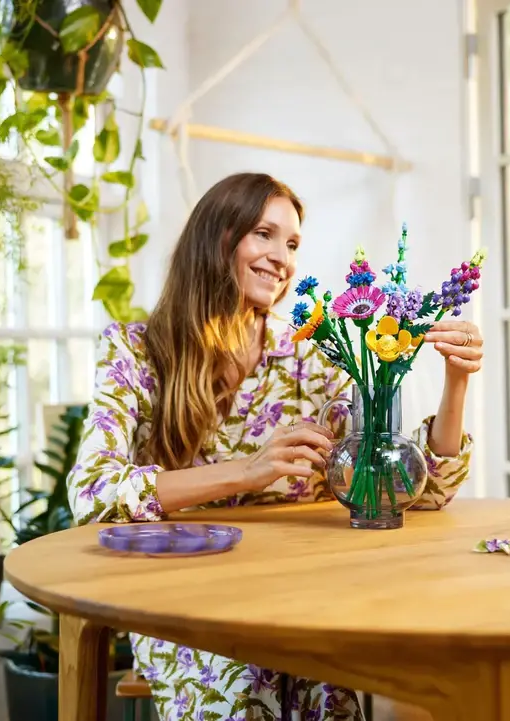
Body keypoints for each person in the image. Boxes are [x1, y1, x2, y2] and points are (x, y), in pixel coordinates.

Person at [67, 172, 482, 721]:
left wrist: (456, 383)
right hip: (180, 601)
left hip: (294, 596)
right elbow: (94, 493)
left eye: (291, 244)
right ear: (217, 238)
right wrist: (247, 472)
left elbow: (405, 491)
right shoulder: (136, 351)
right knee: (242, 682)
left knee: (325, 685)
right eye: (264, 234)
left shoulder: (312, 354)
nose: (282, 257)